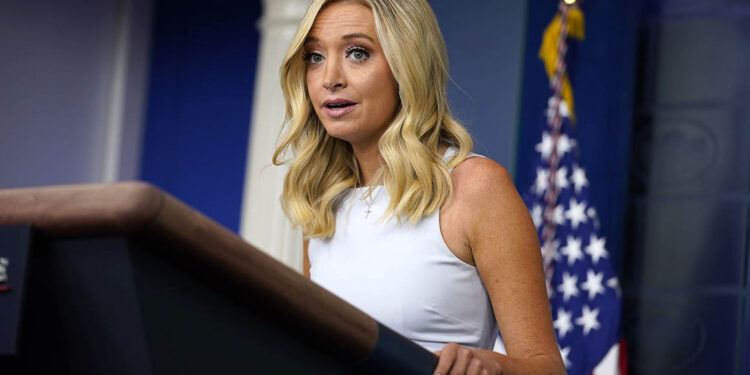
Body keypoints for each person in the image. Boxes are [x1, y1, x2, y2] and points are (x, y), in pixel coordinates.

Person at [273, 0, 566, 374]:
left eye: (357, 53)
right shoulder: (322, 201)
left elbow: (548, 368)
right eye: (314, 57)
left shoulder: (475, 187)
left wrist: (490, 364)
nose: (330, 76)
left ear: (407, 65)